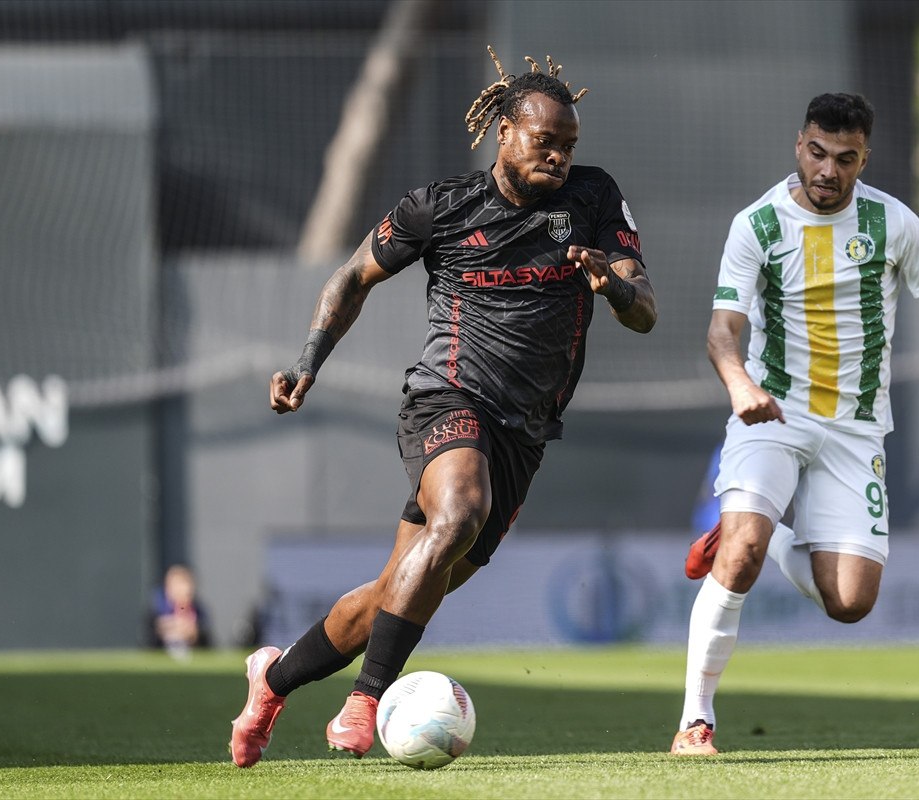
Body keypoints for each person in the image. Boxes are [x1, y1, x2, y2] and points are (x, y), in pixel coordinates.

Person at [230, 46, 656, 768]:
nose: (559, 156)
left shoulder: (593, 197)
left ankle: (269, 683)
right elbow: (351, 278)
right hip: (447, 398)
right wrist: (307, 363)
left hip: (525, 432)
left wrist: (609, 283)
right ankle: (367, 699)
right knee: (459, 513)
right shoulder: (441, 205)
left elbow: (643, 310)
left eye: (568, 144)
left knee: (400, 591)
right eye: (544, 141)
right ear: (504, 132)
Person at [669, 93, 919, 756]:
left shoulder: (893, 223)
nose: (828, 170)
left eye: (845, 158)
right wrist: (740, 384)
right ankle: (696, 720)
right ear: (799, 144)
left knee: (850, 602)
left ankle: (749, 532)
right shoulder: (757, 224)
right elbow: (723, 329)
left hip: (855, 429)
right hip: (772, 412)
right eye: (817, 152)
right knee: (741, 558)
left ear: (864, 159)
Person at [147, 564, 211, 658]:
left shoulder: (200, 613)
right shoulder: (156, 613)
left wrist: (195, 634)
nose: (180, 590)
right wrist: (161, 630)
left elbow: (209, 647)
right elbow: (147, 646)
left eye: (183, 584)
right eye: (175, 585)